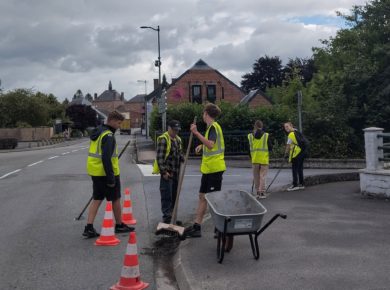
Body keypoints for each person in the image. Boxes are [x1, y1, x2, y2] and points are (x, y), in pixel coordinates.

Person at [83, 111, 134, 238]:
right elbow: (106, 158)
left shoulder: (99, 132)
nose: (119, 125)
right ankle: (119, 225)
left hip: (96, 172)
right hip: (107, 173)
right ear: (111, 121)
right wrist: (111, 177)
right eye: (118, 122)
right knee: (115, 198)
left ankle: (88, 227)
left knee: (97, 198)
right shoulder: (108, 136)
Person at [185, 103, 226, 238]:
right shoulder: (210, 128)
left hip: (215, 169)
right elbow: (209, 143)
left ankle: (219, 228)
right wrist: (202, 145)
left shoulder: (214, 127)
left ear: (206, 114)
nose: (203, 115)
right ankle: (197, 227)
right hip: (208, 169)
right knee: (202, 196)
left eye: (203, 113)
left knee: (214, 200)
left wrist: (196, 133)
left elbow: (211, 144)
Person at [152, 120, 184, 224]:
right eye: (174, 130)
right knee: (167, 196)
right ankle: (167, 217)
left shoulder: (178, 139)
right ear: (169, 128)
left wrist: (183, 157)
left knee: (174, 195)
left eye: (177, 130)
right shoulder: (164, 139)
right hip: (168, 173)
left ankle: (173, 216)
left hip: (176, 172)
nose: (176, 132)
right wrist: (164, 172)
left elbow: (179, 153)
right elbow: (160, 157)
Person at [248, 120, 272, 199]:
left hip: (255, 159)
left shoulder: (250, 136)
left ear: (254, 126)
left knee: (256, 177)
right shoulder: (266, 135)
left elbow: (249, 149)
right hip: (264, 159)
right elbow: (270, 147)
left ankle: (257, 192)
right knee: (262, 176)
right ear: (262, 126)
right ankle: (262, 192)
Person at [284, 122, 305, 191]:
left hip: (295, 153)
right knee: (300, 168)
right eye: (285, 127)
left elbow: (288, 145)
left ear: (291, 126)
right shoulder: (297, 132)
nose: (286, 128)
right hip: (302, 152)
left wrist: (286, 154)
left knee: (294, 169)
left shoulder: (291, 134)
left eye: (287, 126)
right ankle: (301, 184)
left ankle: (295, 184)